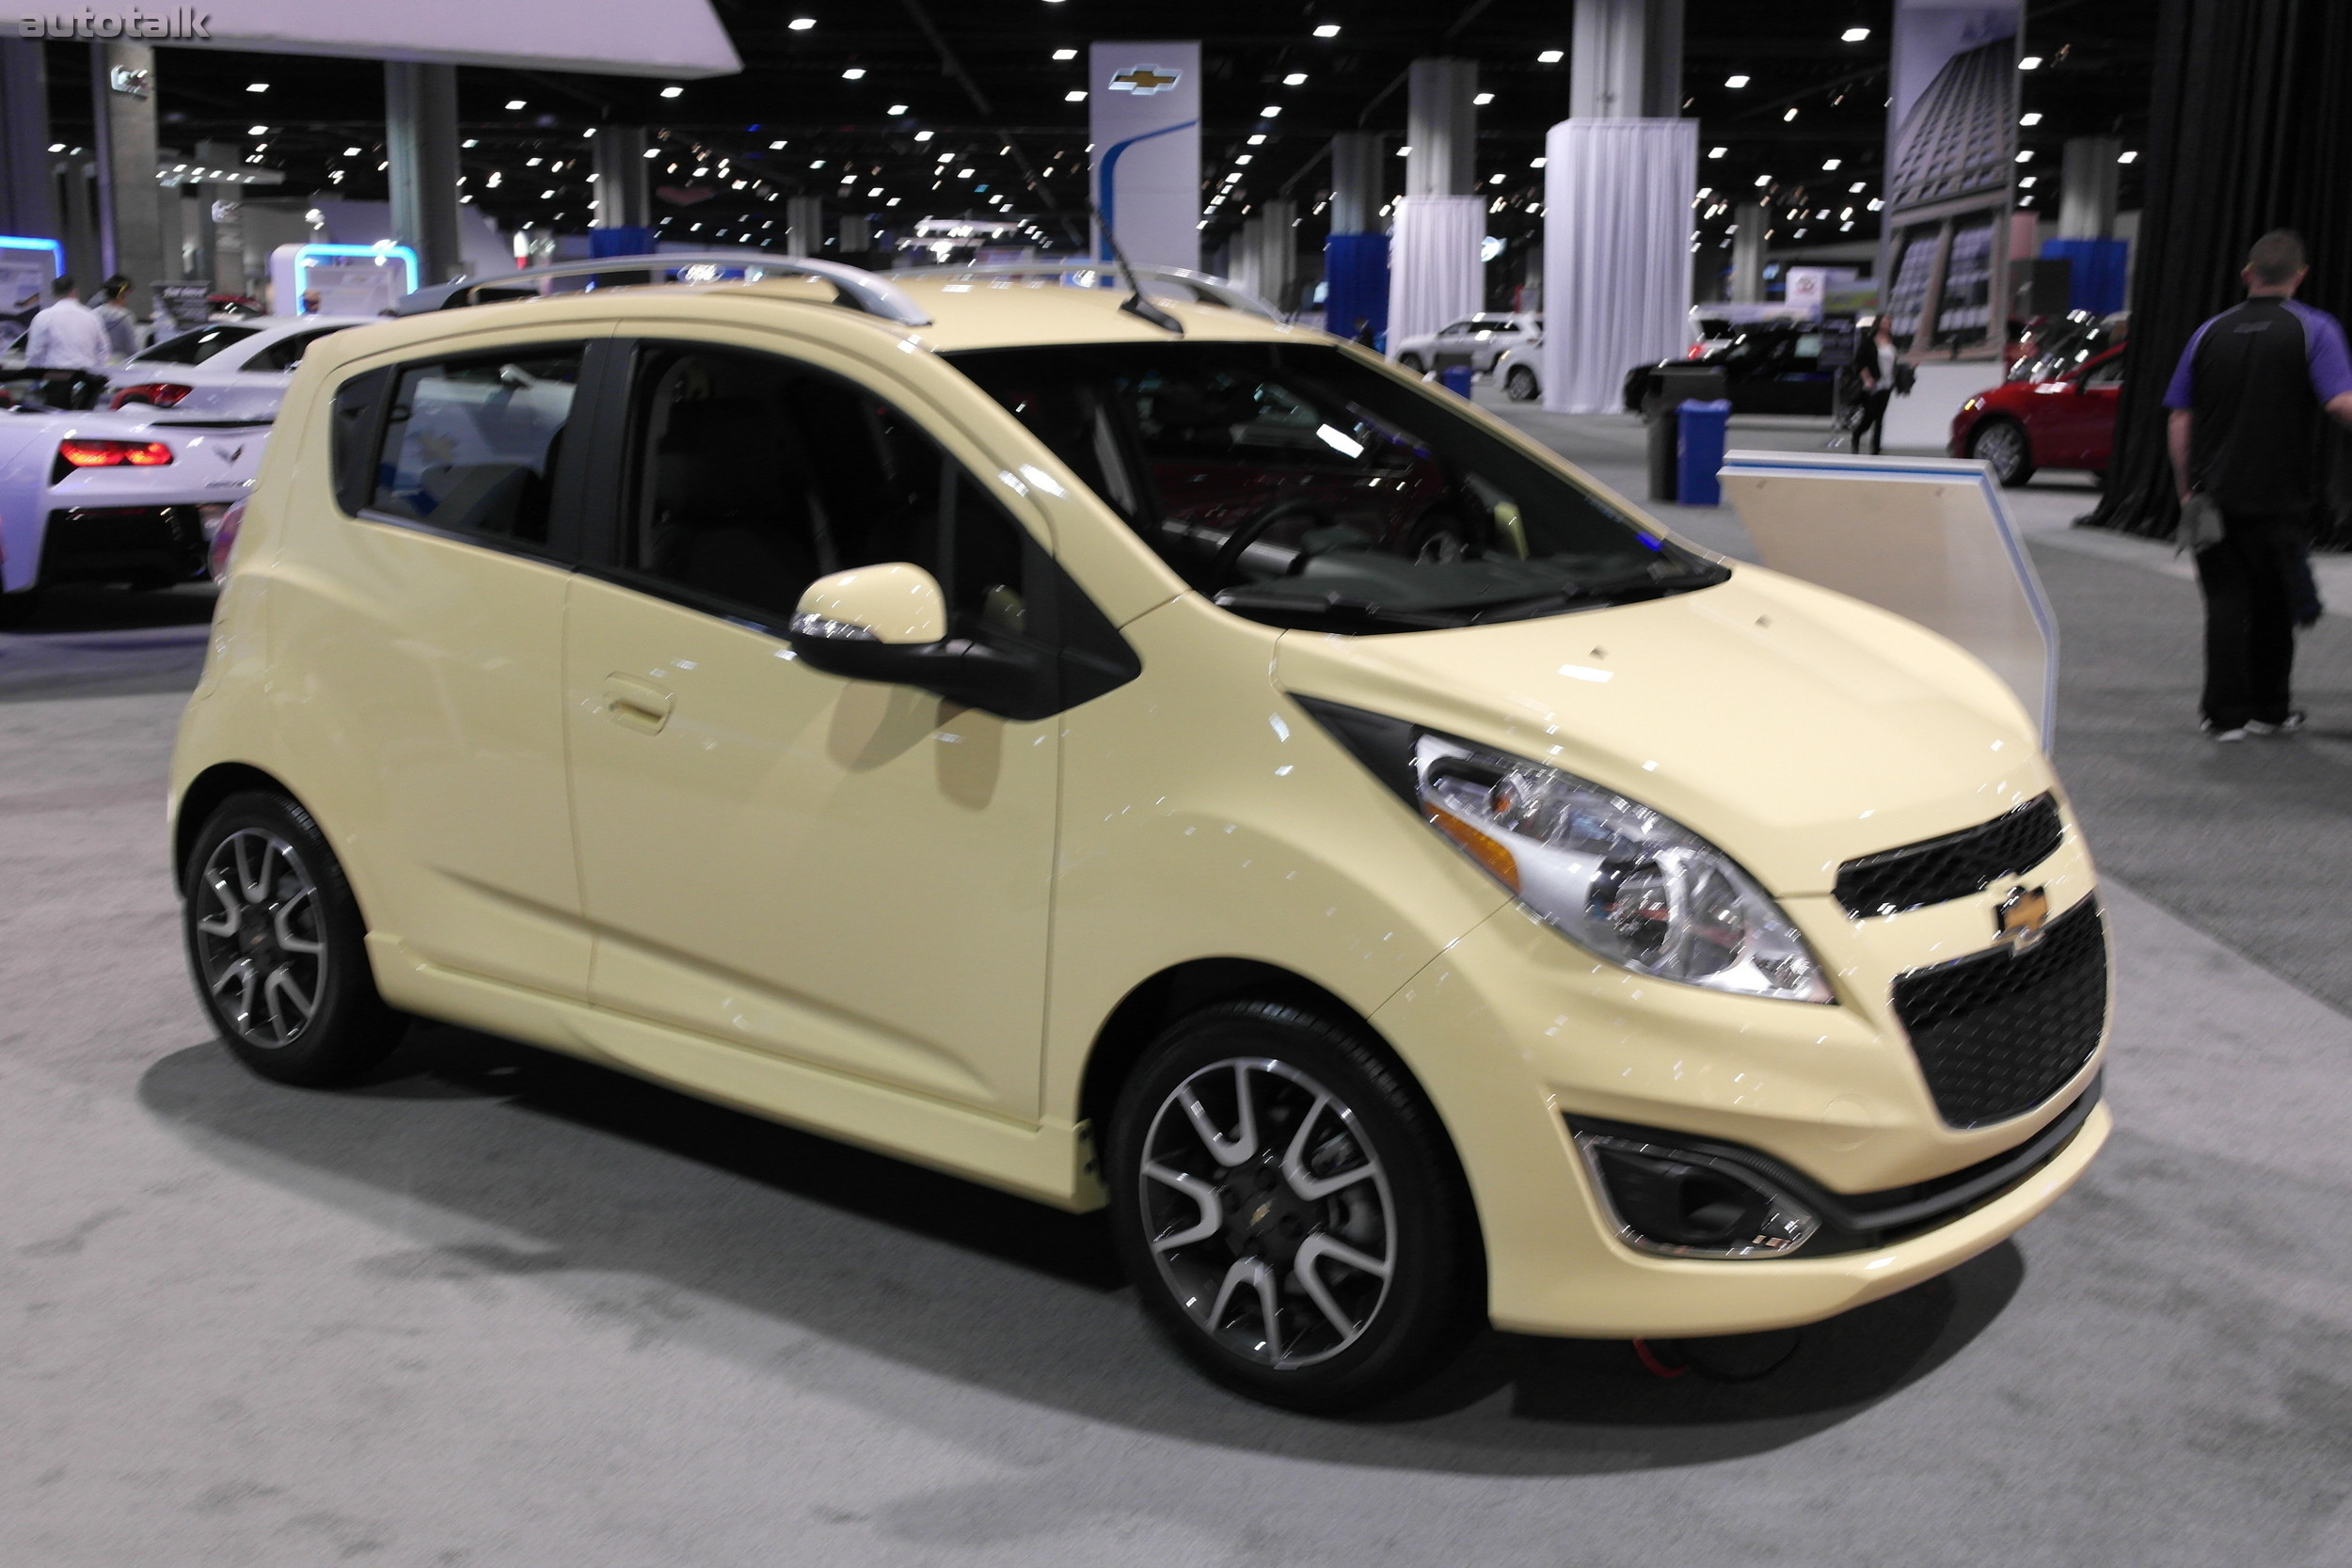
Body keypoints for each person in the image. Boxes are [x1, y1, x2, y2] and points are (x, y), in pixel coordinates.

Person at [2164, 229, 2352, 742]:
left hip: (2214, 496)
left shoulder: (2208, 332)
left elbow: (2181, 417)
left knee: (2225, 602)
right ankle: (2269, 710)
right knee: (2275, 604)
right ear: (2300, 276)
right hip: (2280, 496)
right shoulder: (2316, 329)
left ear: (2248, 275)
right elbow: (2339, 404)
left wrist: (2186, 491)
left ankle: (2223, 717)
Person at [23, 275, 112, 408]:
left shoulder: (43, 317)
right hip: (87, 382)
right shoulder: (92, 316)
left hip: (56, 381)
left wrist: (36, 380)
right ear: (75, 291)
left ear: (53, 293)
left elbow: (35, 353)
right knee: (85, 423)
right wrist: (94, 371)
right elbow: (104, 350)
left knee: (57, 423)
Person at [1850, 316, 1898, 455]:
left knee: (1880, 417)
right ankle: (1857, 434)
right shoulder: (1869, 342)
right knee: (1869, 417)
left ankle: (1876, 448)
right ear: (1878, 324)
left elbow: (1893, 362)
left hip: (1887, 384)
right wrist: (1867, 378)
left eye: (1888, 323)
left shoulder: (1891, 342)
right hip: (1872, 384)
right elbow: (1859, 362)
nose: (1886, 325)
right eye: (1883, 322)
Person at [91, 275, 139, 361]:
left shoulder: (93, 314)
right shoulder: (126, 317)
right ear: (121, 295)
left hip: (97, 363)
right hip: (121, 364)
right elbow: (132, 349)